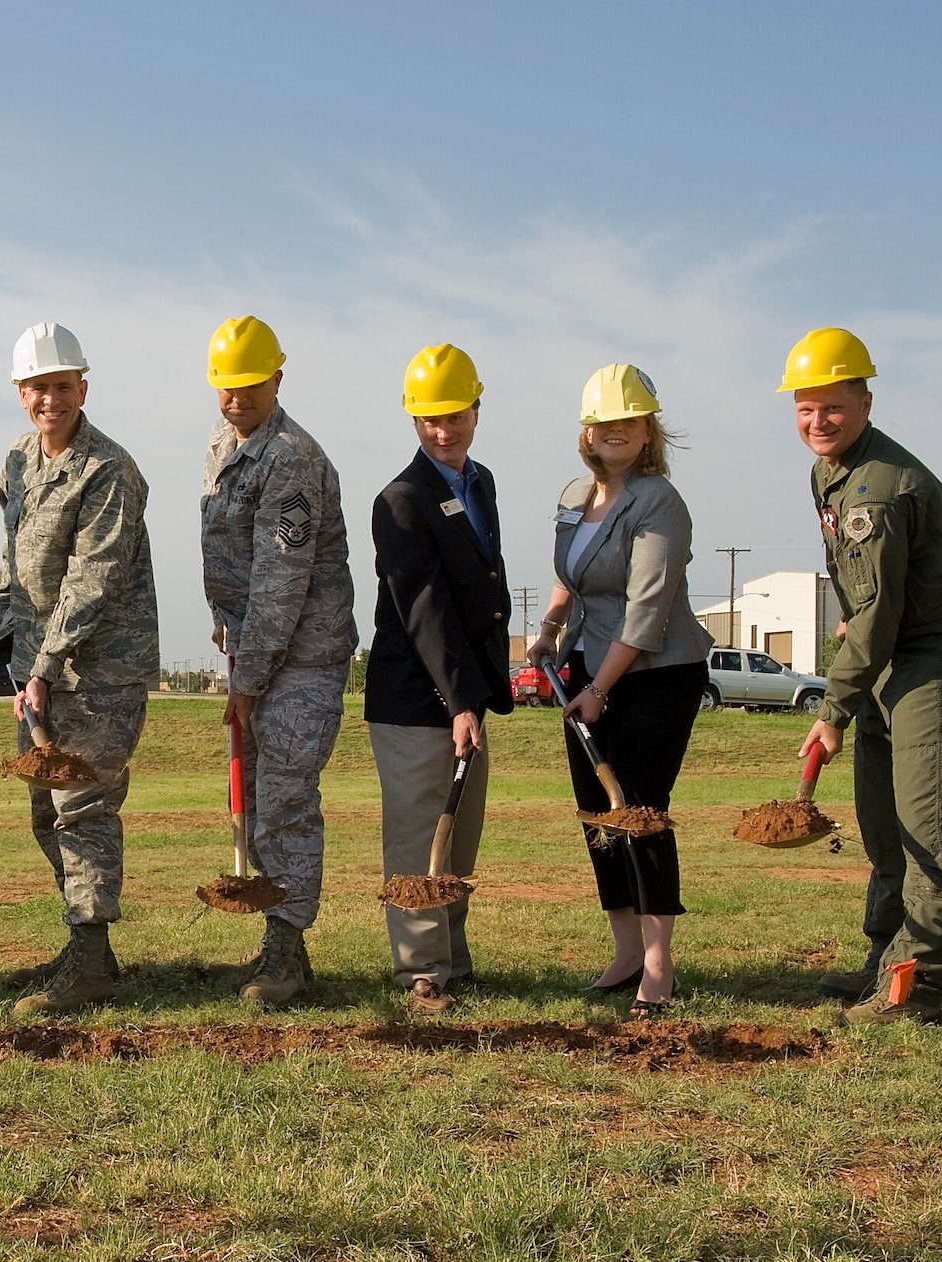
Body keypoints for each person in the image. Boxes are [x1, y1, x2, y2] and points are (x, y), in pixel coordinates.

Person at [524, 364, 710, 1017]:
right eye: (603, 422)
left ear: (648, 427)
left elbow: (647, 608)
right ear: (586, 429)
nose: (614, 432)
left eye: (627, 421)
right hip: (584, 667)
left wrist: (601, 687)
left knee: (640, 811)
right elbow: (570, 577)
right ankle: (626, 950)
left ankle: (659, 966)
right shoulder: (577, 495)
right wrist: (549, 630)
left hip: (654, 674)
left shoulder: (659, 501)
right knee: (598, 813)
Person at [776, 330, 942, 1022]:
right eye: (806, 408)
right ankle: (886, 957)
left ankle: (924, 981)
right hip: (884, 658)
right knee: (880, 822)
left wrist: (833, 707)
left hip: (926, 660)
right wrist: (850, 623)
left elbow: (880, 610)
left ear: (866, 401)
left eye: (834, 407)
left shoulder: (881, 486)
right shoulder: (830, 472)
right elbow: (863, 594)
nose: (818, 422)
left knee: (924, 826)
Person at [0, 322, 159, 1017]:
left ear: (82, 388)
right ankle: (86, 941)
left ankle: (89, 961)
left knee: (82, 809)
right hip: (37, 668)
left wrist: (44, 664)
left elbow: (91, 578)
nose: (49, 399)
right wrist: (8, 647)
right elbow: (15, 560)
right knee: (44, 810)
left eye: (61, 386)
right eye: (37, 387)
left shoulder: (107, 469)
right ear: (20, 392)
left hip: (98, 671)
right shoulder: (15, 463)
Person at [200, 316, 358, 1008]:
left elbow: (279, 583)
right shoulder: (223, 443)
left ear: (277, 380)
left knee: (285, 803)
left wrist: (249, 677)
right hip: (255, 650)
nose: (237, 398)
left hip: (302, 657)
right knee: (261, 800)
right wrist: (225, 632)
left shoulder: (291, 456)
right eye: (227, 386)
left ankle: (287, 953)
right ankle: (281, 935)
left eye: (251, 385)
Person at [366, 345, 511, 1013]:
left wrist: (477, 696)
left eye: (452, 416)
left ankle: (451, 957)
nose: (440, 431)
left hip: (464, 700)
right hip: (416, 700)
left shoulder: (478, 485)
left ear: (476, 409)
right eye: (427, 419)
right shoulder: (400, 500)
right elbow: (422, 606)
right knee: (420, 831)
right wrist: (459, 700)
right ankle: (420, 972)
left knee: (460, 832)